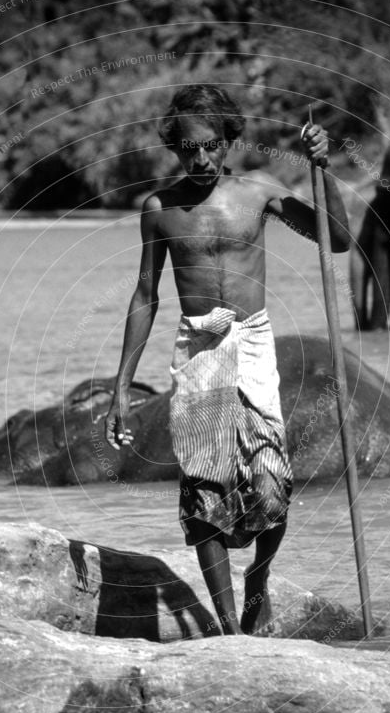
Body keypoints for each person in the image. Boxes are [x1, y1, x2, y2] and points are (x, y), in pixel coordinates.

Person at [105, 84, 350, 635]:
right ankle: (226, 628)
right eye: (189, 148)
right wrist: (122, 388)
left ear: (229, 141)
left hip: (254, 342)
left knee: (271, 482)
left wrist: (322, 168)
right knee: (203, 486)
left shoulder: (259, 192)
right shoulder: (159, 211)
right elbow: (146, 297)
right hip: (199, 348)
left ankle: (258, 581)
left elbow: (335, 241)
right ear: (175, 147)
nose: (201, 158)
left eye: (212, 145)